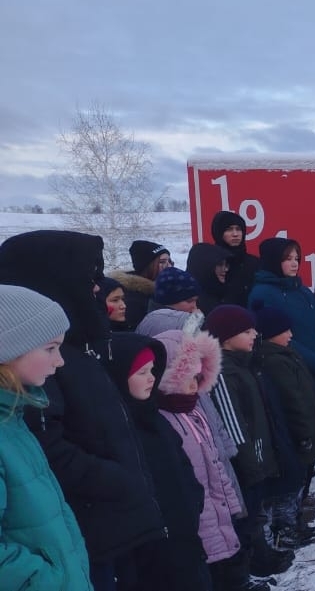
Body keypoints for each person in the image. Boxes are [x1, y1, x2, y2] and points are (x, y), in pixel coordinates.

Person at [0, 231, 166, 591]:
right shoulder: (32, 389)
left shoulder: (65, 360)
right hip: (79, 548)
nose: (96, 289)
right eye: (88, 278)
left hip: (88, 544)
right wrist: (47, 577)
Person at [152, 328, 267, 591]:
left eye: (199, 375)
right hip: (197, 514)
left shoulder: (195, 410)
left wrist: (231, 501)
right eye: (187, 375)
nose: (195, 383)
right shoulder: (163, 420)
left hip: (219, 507)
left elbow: (217, 462)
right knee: (212, 566)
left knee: (227, 557)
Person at [101, 333, 212, 591]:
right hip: (154, 557)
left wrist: (194, 500)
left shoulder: (157, 418)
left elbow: (183, 465)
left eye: (153, 370)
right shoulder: (114, 431)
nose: (152, 378)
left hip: (186, 540)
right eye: (142, 372)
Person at [0, 284, 93, 591]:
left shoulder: (11, 418)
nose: (60, 361)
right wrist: (47, 580)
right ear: (8, 350)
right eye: (50, 348)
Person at [203, 304, 297, 577]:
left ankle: (262, 553)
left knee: (256, 510)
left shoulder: (245, 364)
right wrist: (250, 464)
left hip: (257, 454)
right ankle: (254, 562)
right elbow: (232, 425)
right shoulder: (223, 373)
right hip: (244, 462)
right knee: (247, 513)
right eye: (246, 331)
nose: (255, 334)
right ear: (225, 338)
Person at [254, 306, 315, 544]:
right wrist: (304, 432)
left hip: (304, 427)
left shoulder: (286, 354)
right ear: (270, 333)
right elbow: (292, 400)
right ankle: (286, 529)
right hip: (294, 432)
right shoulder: (273, 361)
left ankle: (295, 522)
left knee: (301, 478)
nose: (290, 335)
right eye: (284, 331)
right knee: (291, 483)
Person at [248, 237, 315, 430]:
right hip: (289, 373)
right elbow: (277, 339)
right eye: (288, 258)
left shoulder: (303, 291)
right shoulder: (262, 293)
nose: (294, 263)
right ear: (274, 260)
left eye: (297, 258)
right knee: (299, 429)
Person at [109, 240, 173, 331]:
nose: (169, 266)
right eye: (162, 262)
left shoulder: (168, 288)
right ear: (148, 266)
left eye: (169, 261)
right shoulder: (132, 298)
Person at [212, 211, 260, 308]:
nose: (235, 234)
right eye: (229, 229)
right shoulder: (211, 263)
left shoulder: (254, 263)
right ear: (219, 233)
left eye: (238, 229)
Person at [188, 242, 235, 315]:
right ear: (205, 266)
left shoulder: (223, 292)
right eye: (220, 264)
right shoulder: (191, 301)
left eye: (226, 265)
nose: (225, 269)